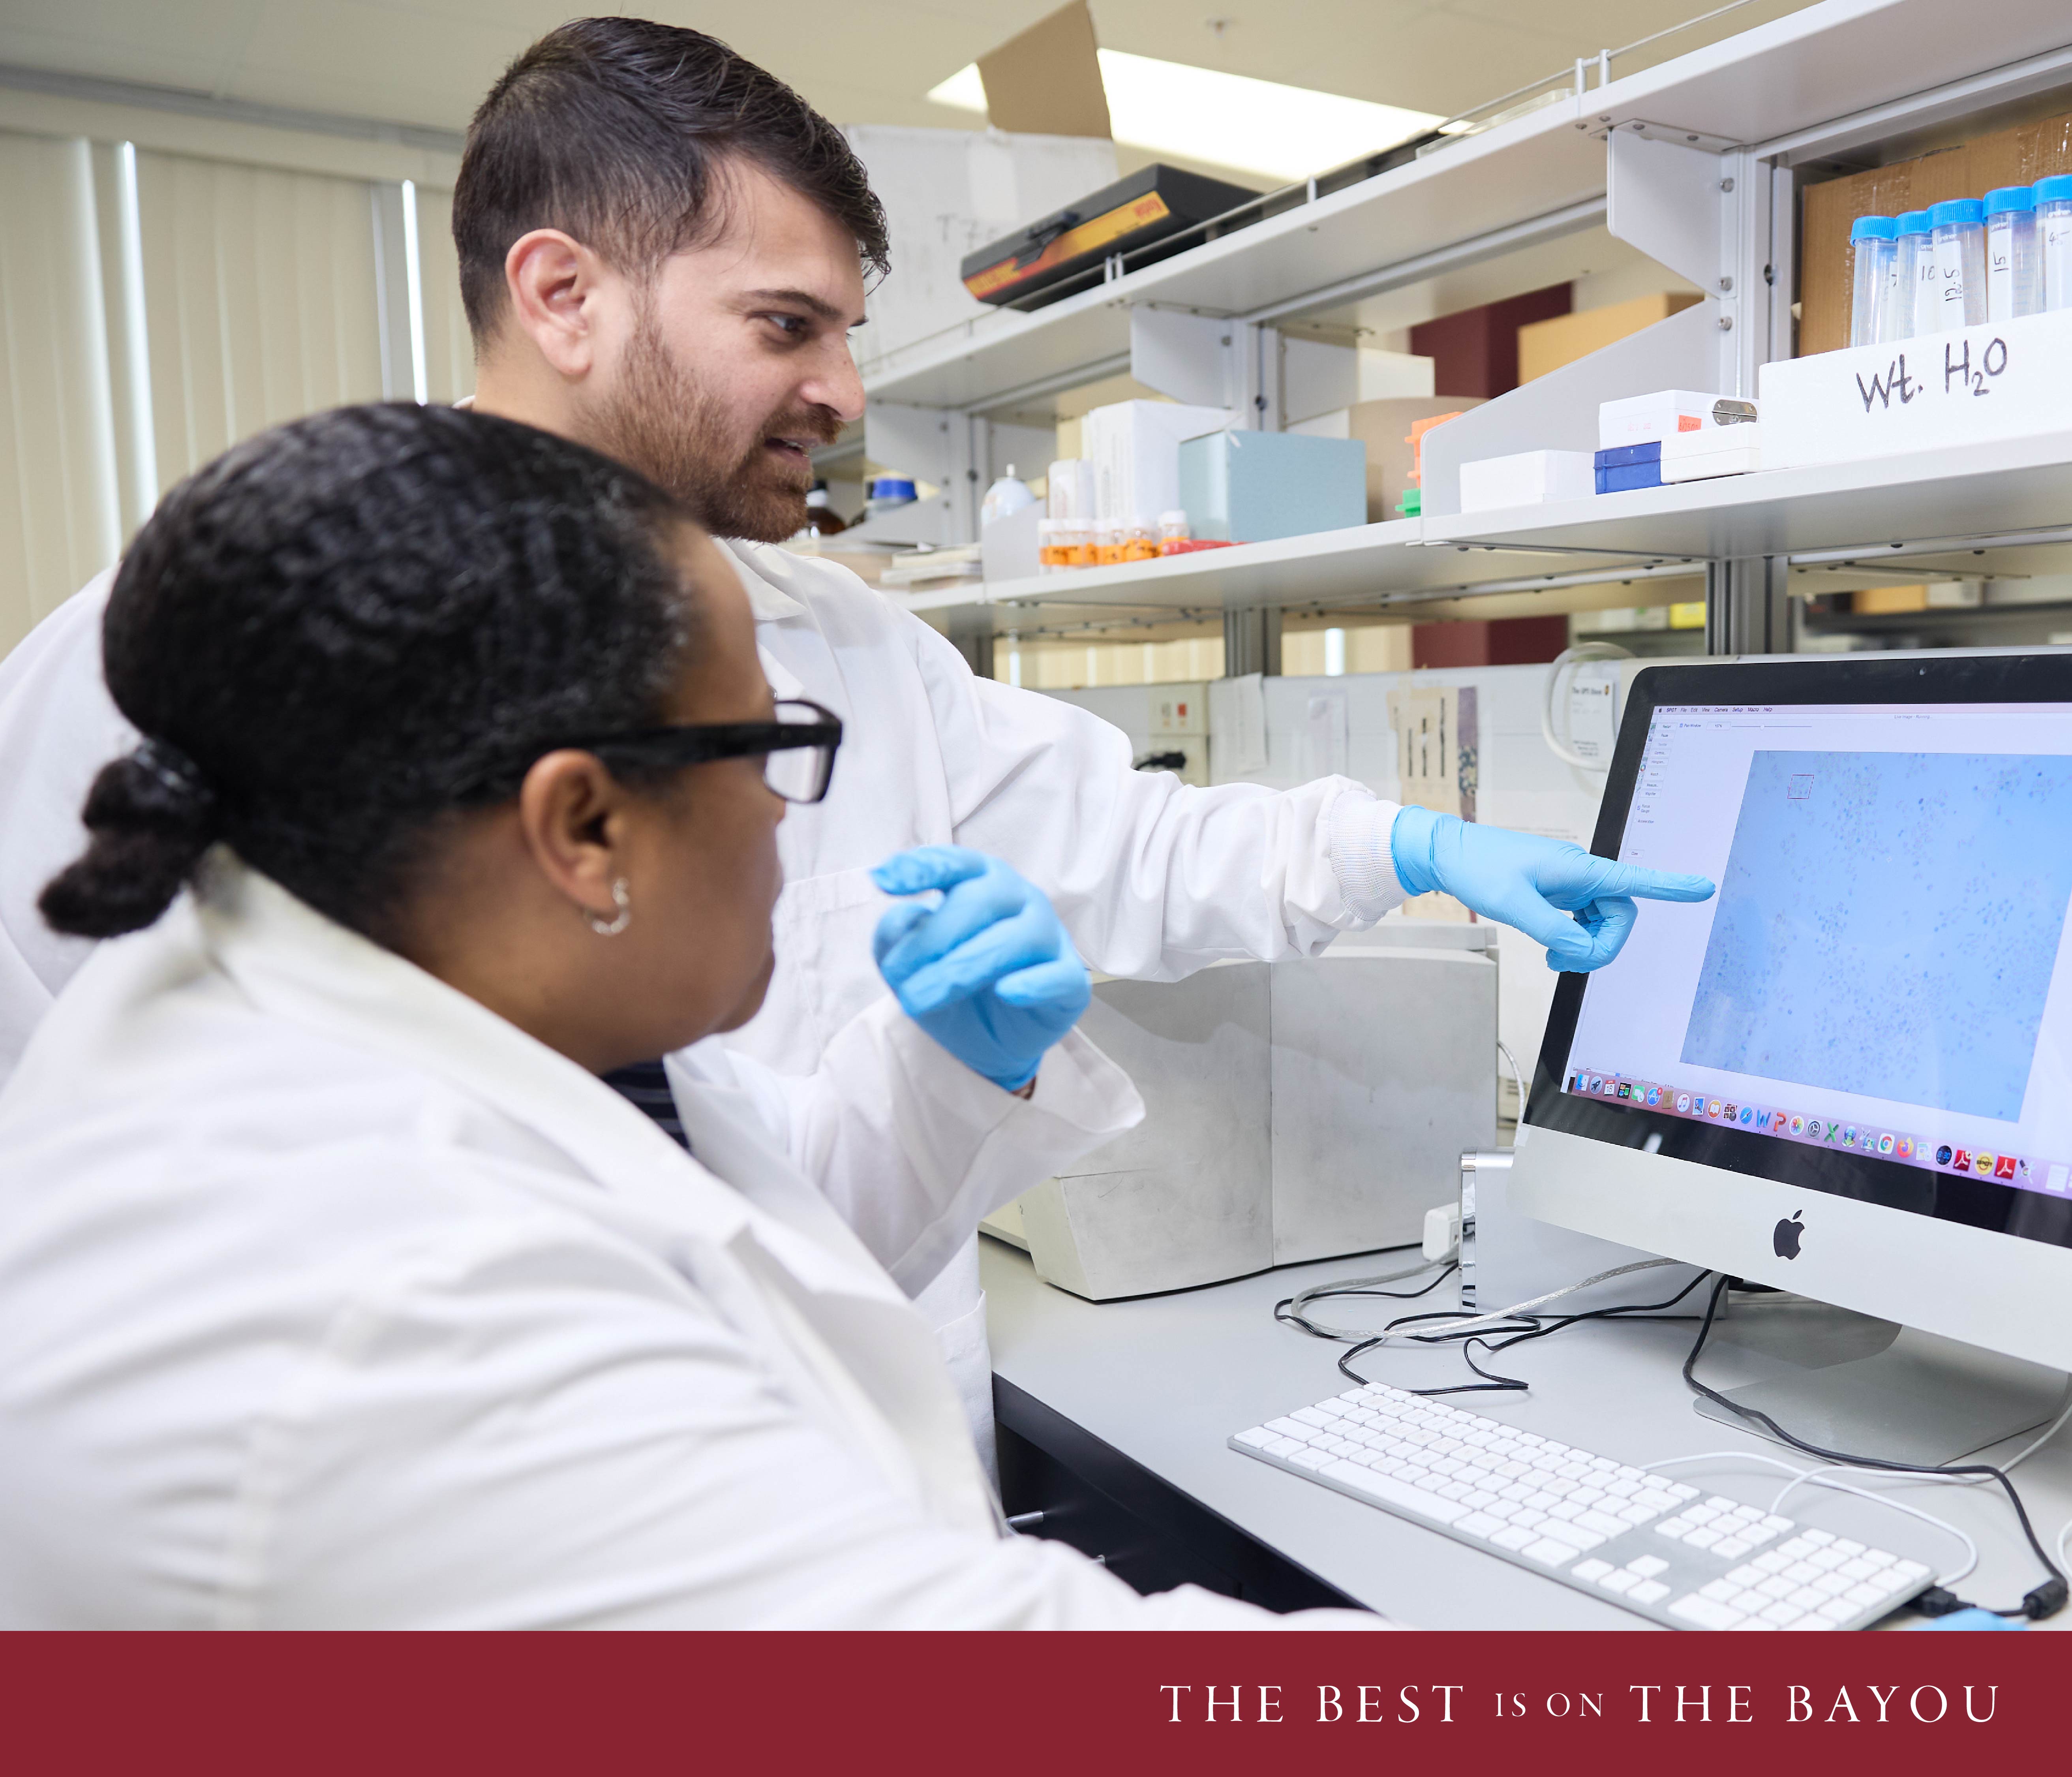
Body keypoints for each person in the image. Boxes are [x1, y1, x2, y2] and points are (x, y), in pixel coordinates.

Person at [0, 17, 1714, 1467]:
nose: (841, 395)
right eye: (783, 325)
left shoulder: (842, 640)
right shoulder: (209, 652)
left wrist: (1412, 849)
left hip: (848, 1458)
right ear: (561, 293)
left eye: (846, 332)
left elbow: (1123, 850)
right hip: (452, 1505)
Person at [0, 403, 1372, 1627]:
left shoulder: (340, 976)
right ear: (583, 824)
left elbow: (765, 1206)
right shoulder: (392, 1293)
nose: (789, 806)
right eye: (773, 745)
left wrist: (956, 1062)